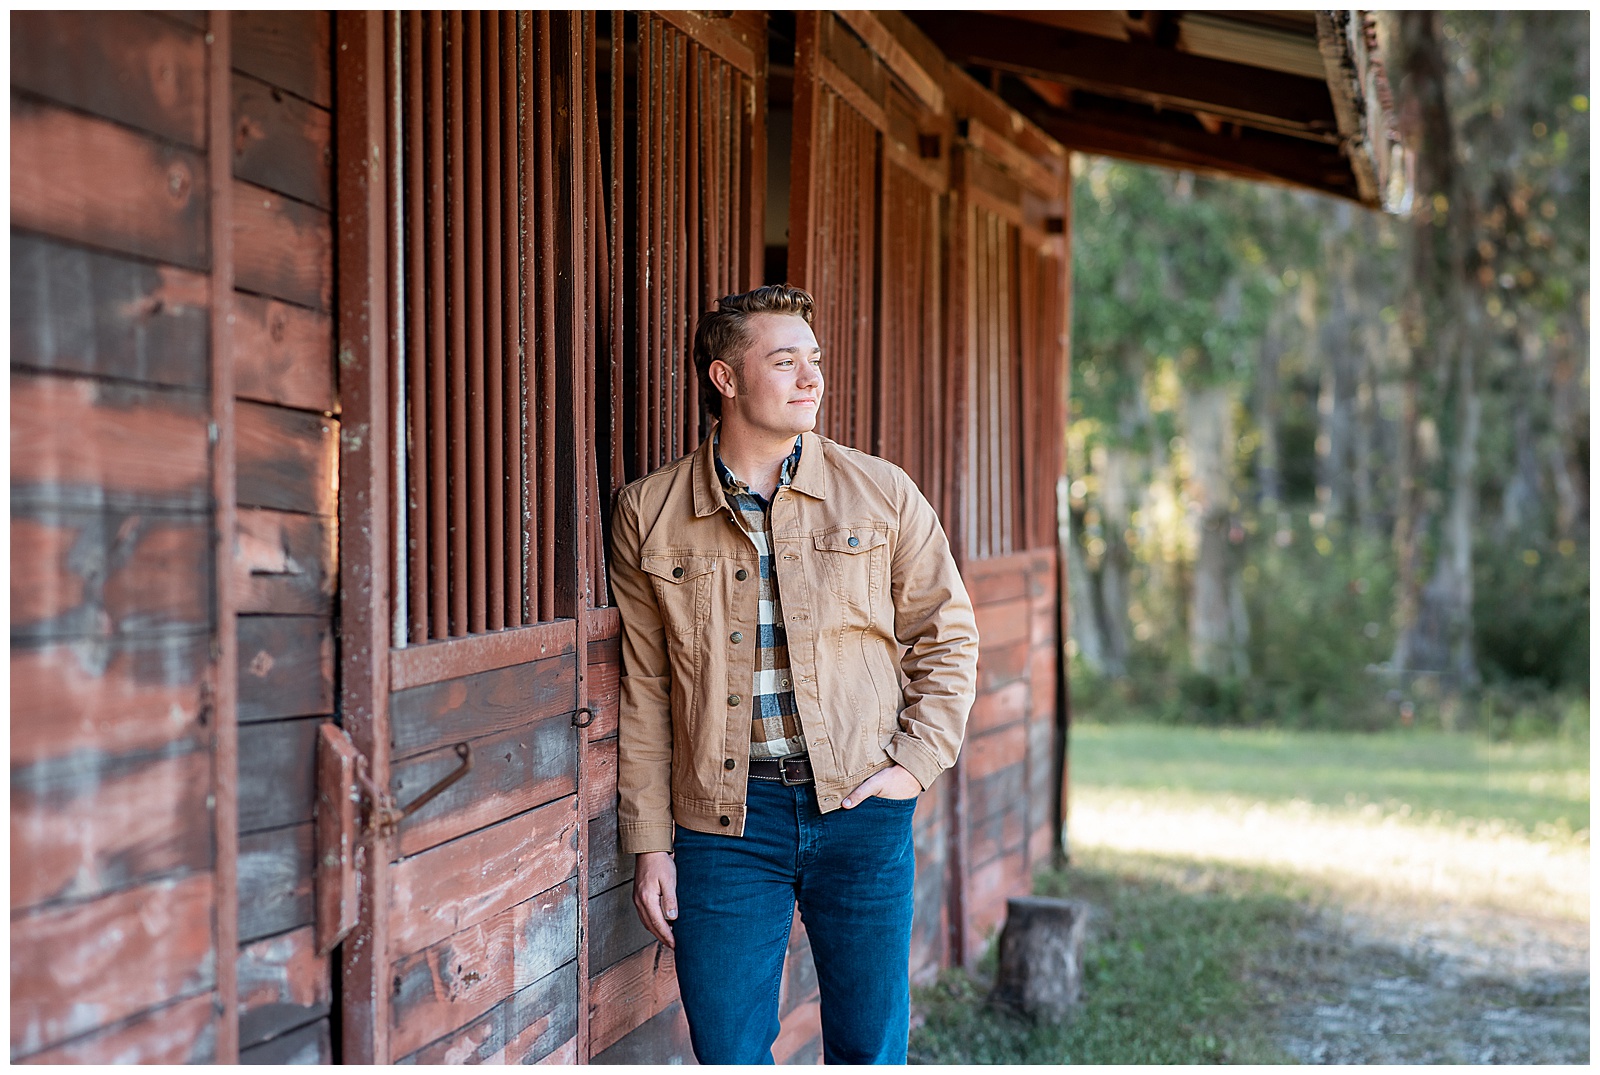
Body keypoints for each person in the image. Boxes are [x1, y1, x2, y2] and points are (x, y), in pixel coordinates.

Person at [607, 284, 979, 1064]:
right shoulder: (649, 512)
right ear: (726, 379)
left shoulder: (882, 493)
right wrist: (650, 842)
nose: (811, 378)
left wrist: (914, 765)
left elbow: (948, 637)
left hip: (860, 805)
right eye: (785, 361)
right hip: (724, 824)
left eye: (813, 360)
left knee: (868, 1048)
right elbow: (644, 687)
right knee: (730, 1049)